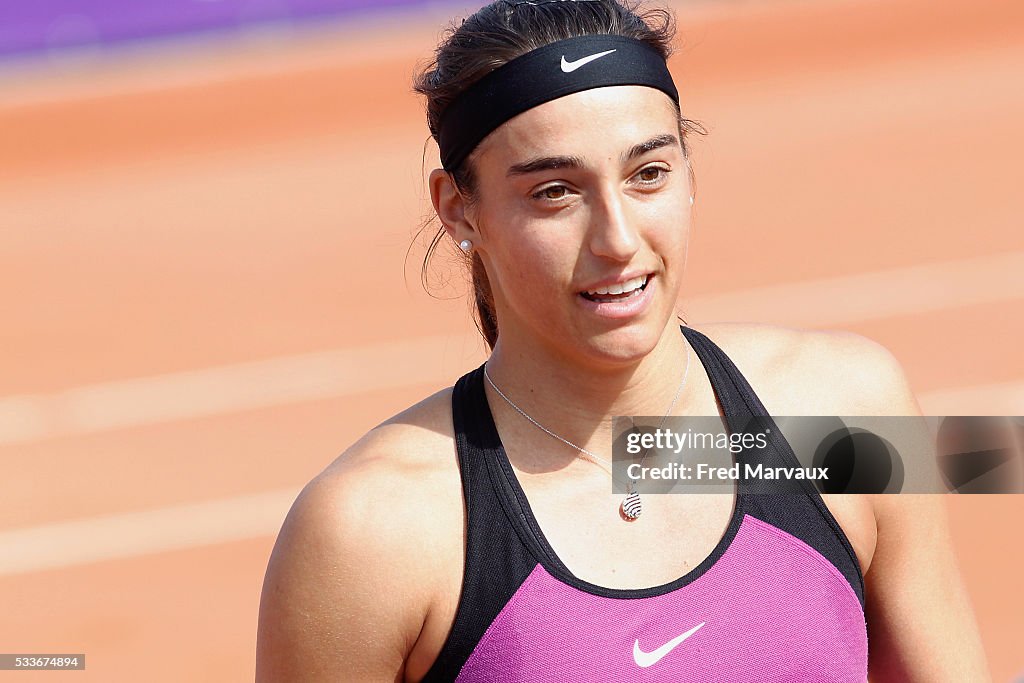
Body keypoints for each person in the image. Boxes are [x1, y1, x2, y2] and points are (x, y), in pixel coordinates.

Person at [256, 1, 991, 680]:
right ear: (459, 210)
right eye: (555, 192)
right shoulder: (369, 531)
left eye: (648, 174)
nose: (618, 239)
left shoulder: (847, 405)